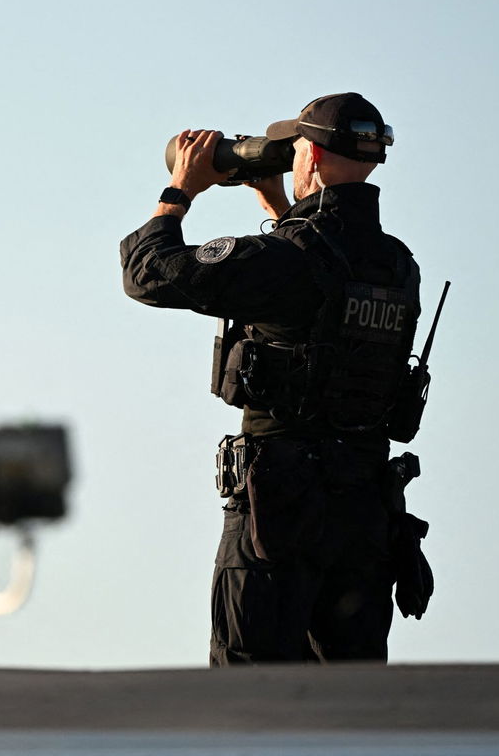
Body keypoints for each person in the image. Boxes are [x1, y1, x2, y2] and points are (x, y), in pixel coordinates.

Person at [119, 93, 431, 665]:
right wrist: (279, 205)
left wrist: (180, 190)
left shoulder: (285, 259)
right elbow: (322, 283)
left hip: (277, 514)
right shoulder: (398, 265)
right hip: (364, 516)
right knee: (350, 704)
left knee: (250, 696)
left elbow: (148, 273)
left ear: (306, 155)